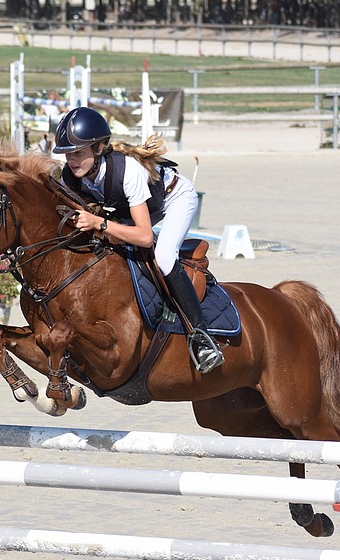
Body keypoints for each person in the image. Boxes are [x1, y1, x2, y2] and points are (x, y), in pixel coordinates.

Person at [53, 106, 224, 374]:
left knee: (164, 256)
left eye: (78, 153)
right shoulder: (70, 178)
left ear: (98, 149)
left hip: (174, 198)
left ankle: (201, 337)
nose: (71, 160)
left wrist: (100, 222)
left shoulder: (127, 170)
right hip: (131, 208)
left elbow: (145, 237)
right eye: (67, 154)